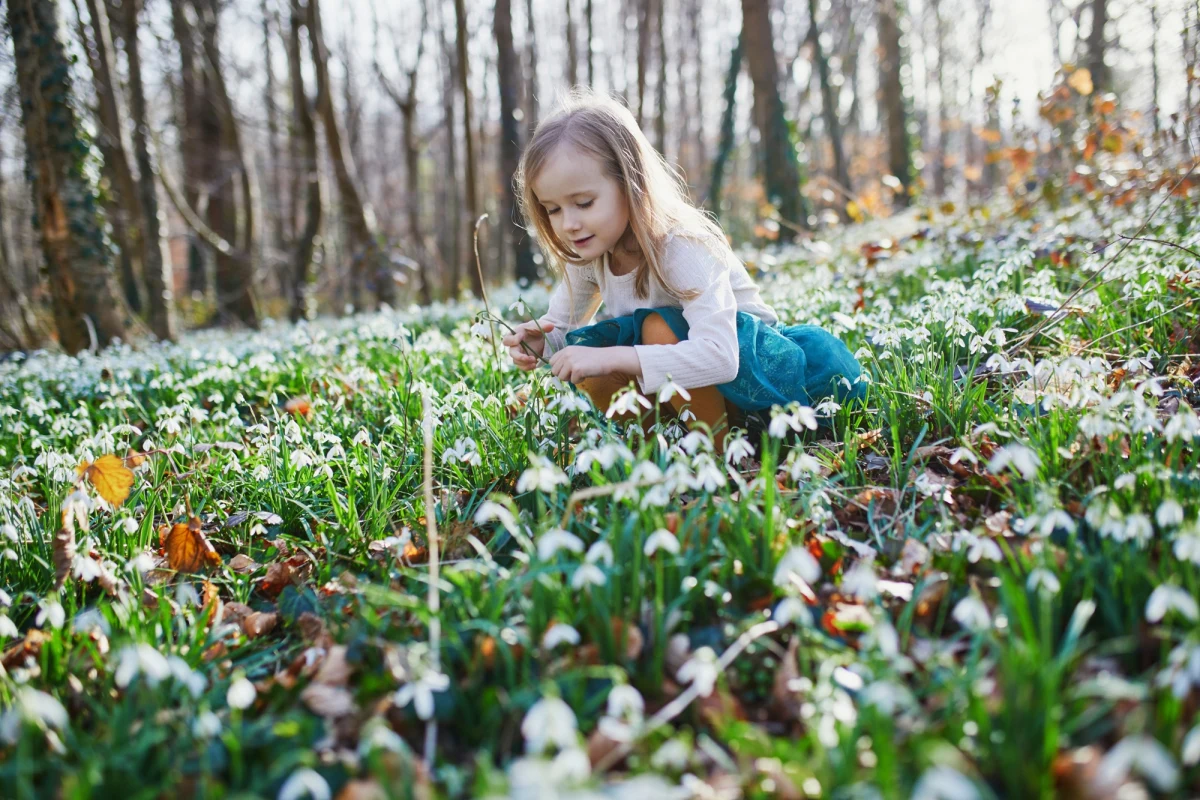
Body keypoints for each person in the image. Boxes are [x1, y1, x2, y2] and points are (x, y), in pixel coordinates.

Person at [502, 88, 865, 454]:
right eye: (553, 209)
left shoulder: (682, 244)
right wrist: (542, 341)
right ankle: (662, 452)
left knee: (653, 329)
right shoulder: (590, 252)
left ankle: (714, 455)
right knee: (590, 355)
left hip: (761, 383)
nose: (569, 224)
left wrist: (610, 357)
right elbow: (563, 328)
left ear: (631, 182)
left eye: (583, 203)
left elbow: (721, 358)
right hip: (691, 391)